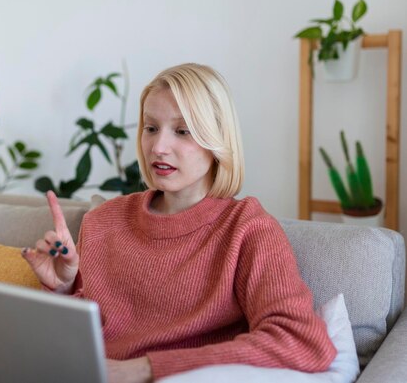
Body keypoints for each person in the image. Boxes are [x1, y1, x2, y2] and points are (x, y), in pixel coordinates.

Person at [21, 63, 336, 383]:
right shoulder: (103, 221)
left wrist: (143, 369)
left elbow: (302, 342)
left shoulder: (246, 229)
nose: (158, 147)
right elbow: (84, 337)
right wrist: (62, 287)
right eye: (151, 127)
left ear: (217, 141)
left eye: (182, 131)